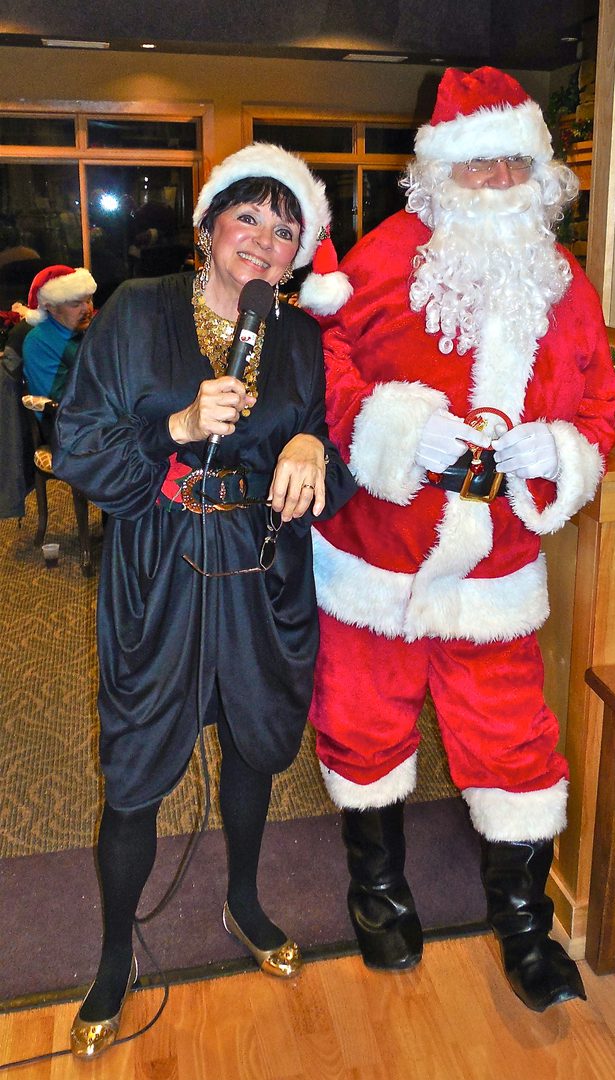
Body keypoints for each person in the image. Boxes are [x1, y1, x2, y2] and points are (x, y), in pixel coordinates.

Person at [306, 67, 615, 1012]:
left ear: (539, 172)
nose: (493, 179)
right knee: (362, 732)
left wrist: (559, 450)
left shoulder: (561, 280)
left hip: (495, 571)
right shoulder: (382, 255)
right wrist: (390, 422)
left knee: (516, 748)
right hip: (378, 561)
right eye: (474, 162)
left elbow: (601, 408)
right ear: (439, 171)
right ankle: (378, 891)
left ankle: (525, 928)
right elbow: (321, 364)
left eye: (511, 163)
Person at [52, 142, 357, 1060]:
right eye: (249, 218)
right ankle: (113, 958)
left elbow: (324, 465)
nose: (265, 240)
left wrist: (312, 453)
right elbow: (76, 442)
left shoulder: (298, 336)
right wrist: (175, 426)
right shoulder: (140, 313)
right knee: (140, 762)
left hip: (262, 570)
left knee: (255, 738)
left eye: (285, 227)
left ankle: (246, 900)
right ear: (209, 229)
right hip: (162, 561)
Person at [13, 264, 96, 401]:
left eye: (88, 301)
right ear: (52, 308)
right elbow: (60, 399)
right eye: (76, 304)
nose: (86, 309)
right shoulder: (40, 342)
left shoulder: (87, 331)